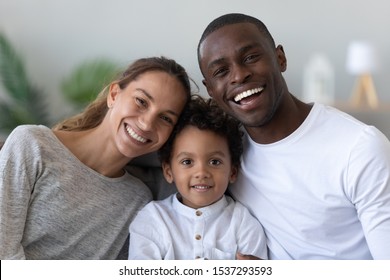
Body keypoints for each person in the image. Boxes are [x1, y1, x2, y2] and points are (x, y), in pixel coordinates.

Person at [197, 13, 390, 259]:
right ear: (210, 90)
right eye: (221, 71)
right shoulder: (224, 155)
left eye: (250, 57)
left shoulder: (360, 148)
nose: (238, 76)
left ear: (280, 58)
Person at [0, 56, 192, 259]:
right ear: (114, 94)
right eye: (141, 101)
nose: (146, 124)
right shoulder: (32, 144)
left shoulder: (138, 201)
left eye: (165, 118)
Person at [128, 95, 267, 260]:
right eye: (187, 161)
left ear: (233, 172)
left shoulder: (243, 223)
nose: (201, 172)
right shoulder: (153, 218)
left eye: (215, 162)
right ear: (168, 171)